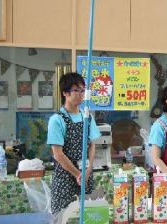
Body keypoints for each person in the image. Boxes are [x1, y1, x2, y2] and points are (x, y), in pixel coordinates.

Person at [47, 72, 101, 221]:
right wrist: (77, 174)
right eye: (76, 90)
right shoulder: (57, 120)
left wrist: (88, 169)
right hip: (65, 178)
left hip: (85, 176)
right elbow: (58, 154)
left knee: (87, 216)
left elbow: (92, 145)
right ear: (65, 93)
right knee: (65, 217)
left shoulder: (88, 117)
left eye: (82, 90)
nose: (80, 94)